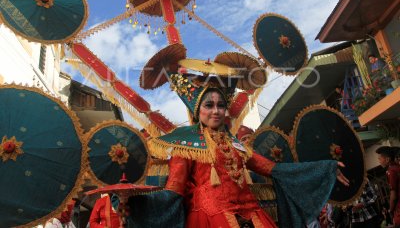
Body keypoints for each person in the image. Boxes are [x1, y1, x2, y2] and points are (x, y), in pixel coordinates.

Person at [128, 73, 350, 228]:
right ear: (198, 112)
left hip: (252, 213)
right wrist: (135, 205)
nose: (216, 111)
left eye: (221, 105)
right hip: (210, 218)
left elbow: (273, 169)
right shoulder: (186, 147)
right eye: (209, 105)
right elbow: (174, 191)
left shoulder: (237, 145)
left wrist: (324, 168)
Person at [376, 146, 400, 227]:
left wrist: (390, 209)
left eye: (380, 158)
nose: (379, 161)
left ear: (387, 159)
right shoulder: (397, 167)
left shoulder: (391, 171)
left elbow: (393, 195)